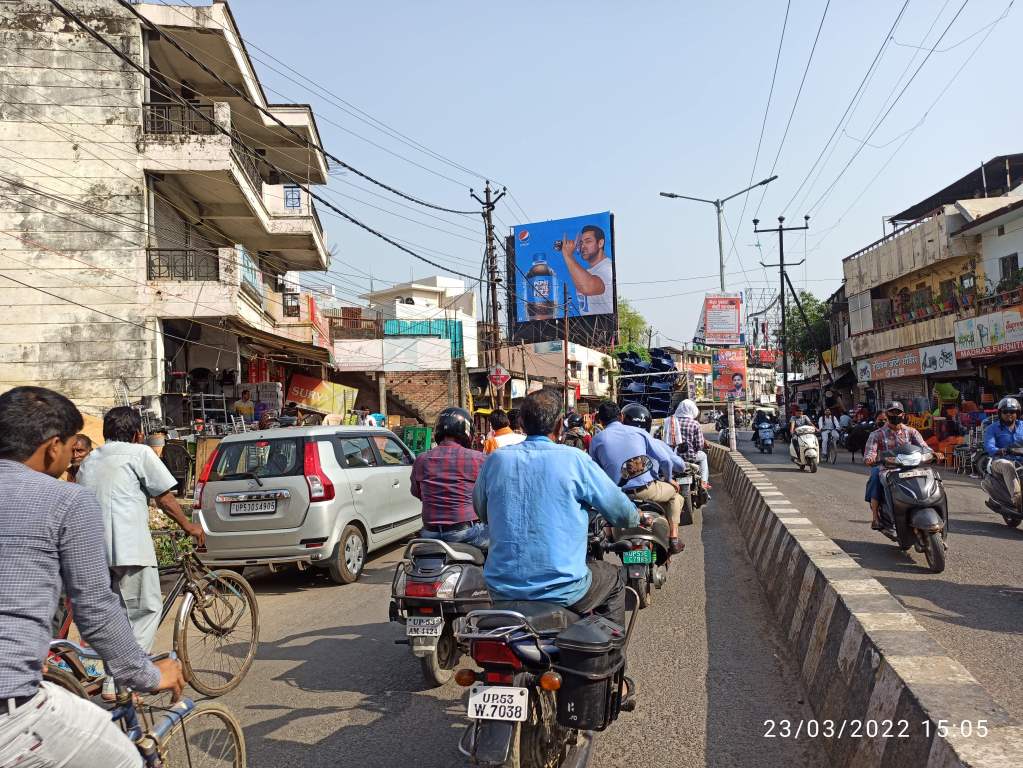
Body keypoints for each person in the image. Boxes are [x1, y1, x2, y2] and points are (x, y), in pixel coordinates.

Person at [0, 386, 185, 768]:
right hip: (11, 708)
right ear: (54, 447)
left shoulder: (94, 463)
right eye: (69, 447)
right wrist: (146, 675)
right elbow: (96, 611)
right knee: (129, 760)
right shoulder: (64, 499)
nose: (72, 458)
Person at [473, 391, 638, 626]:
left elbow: (481, 511)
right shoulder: (575, 460)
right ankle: (611, 656)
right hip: (564, 591)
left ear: (520, 423)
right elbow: (623, 514)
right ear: (560, 425)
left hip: (500, 590)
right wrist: (635, 517)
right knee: (613, 579)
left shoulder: (496, 460)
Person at [78, 408, 205, 657]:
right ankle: (129, 678)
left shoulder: (90, 460)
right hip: (129, 548)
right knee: (145, 610)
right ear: (138, 434)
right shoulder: (140, 453)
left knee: (114, 617)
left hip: (92, 552)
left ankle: (112, 679)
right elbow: (165, 499)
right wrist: (188, 526)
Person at [590, 401, 685, 554]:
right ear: (621, 416)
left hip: (617, 496)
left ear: (600, 420)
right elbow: (666, 460)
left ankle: (609, 537)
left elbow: (595, 472)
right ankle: (673, 538)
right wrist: (669, 480)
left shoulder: (596, 440)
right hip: (645, 491)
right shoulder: (639, 433)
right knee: (675, 495)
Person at [410, 407, 488, 549]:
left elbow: (417, 492)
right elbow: (489, 494)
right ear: (467, 431)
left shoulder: (421, 459)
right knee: (499, 544)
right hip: (466, 533)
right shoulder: (478, 459)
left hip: (429, 533)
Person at [863, 402, 936, 533]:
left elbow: (924, 446)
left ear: (903, 415)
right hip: (887, 469)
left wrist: (933, 453)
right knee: (875, 477)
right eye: (892, 412)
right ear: (887, 414)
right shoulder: (877, 434)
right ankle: (875, 517)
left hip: (911, 467)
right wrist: (870, 458)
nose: (895, 415)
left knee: (931, 477)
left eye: (898, 412)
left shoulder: (911, 431)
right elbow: (870, 452)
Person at [560, 224, 613, 316]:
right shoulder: (587, 272)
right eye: (581, 243)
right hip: (586, 327)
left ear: (600, 243)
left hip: (603, 326)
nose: (583, 246)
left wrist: (568, 255)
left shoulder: (607, 267)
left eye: (588, 241)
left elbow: (587, 288)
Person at [983, 397, 1023, 508]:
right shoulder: (992, 428)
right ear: (1000, 413)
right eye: (1005, 411)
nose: (1009, 414)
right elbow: (989, 445)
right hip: (1000, 460)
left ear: (1017, 413)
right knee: (1008, 465)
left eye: (1012, 411)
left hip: (1021, 460)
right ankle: (1018, 499)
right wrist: (1000, 450)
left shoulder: (1022, 426)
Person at [666, 398, 711, 489]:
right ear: (692, 410)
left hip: (671, 457)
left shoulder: (669, 421)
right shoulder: (694, 424)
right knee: (703, 456)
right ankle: (703, 481)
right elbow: (699, 445)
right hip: (690, 457)